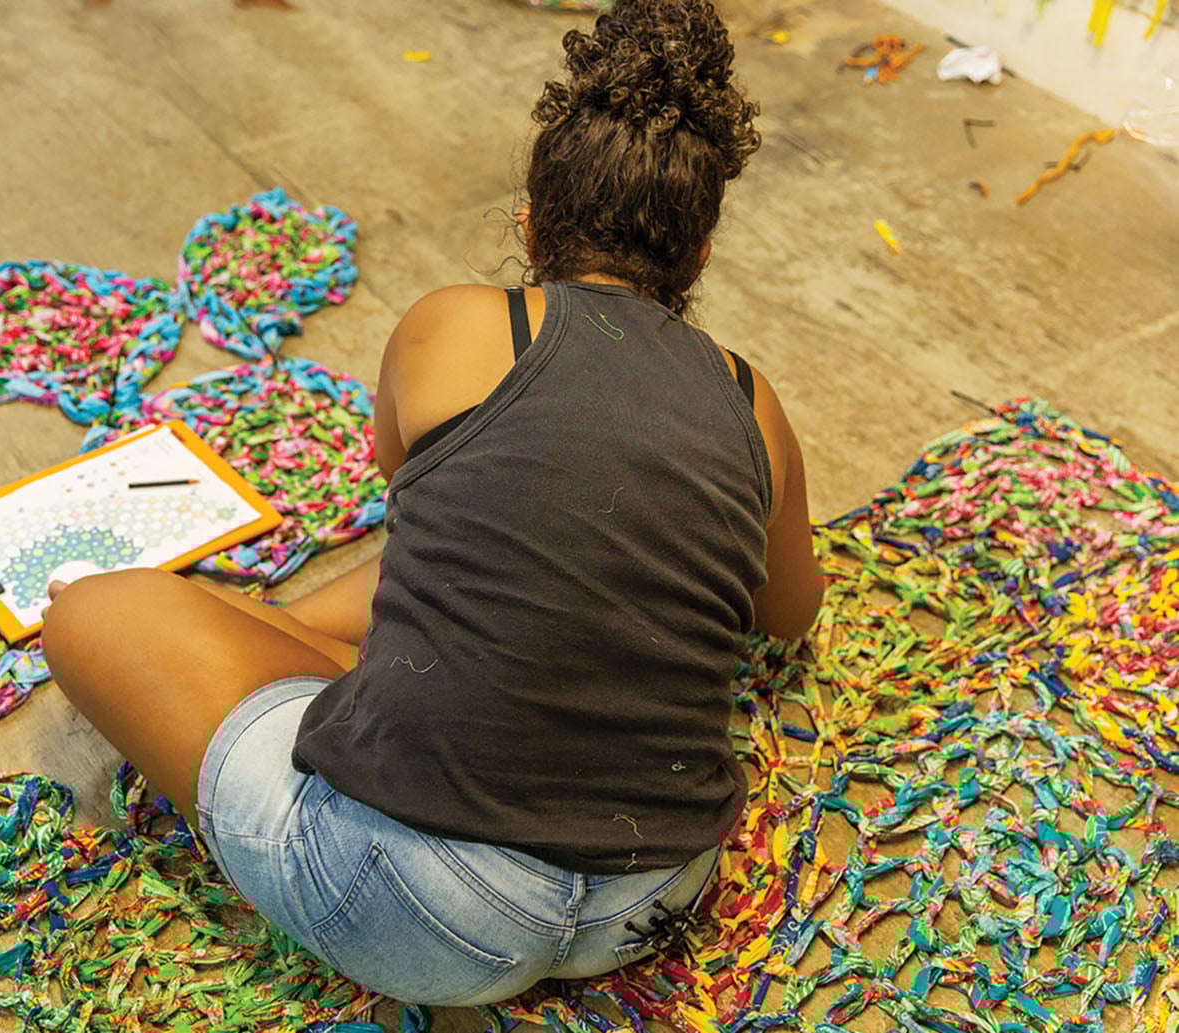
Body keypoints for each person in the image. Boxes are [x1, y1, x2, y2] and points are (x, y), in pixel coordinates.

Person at [42, 0, 823, 1007]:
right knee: (443, 575)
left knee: (88, 611)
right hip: (653, 893)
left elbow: (411, 496)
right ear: (700, 253)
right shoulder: (752, 400)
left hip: (421, 909)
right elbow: (789, 612)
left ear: (530, 222)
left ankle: (253, 640)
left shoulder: (452, 326)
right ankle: (267, 634)